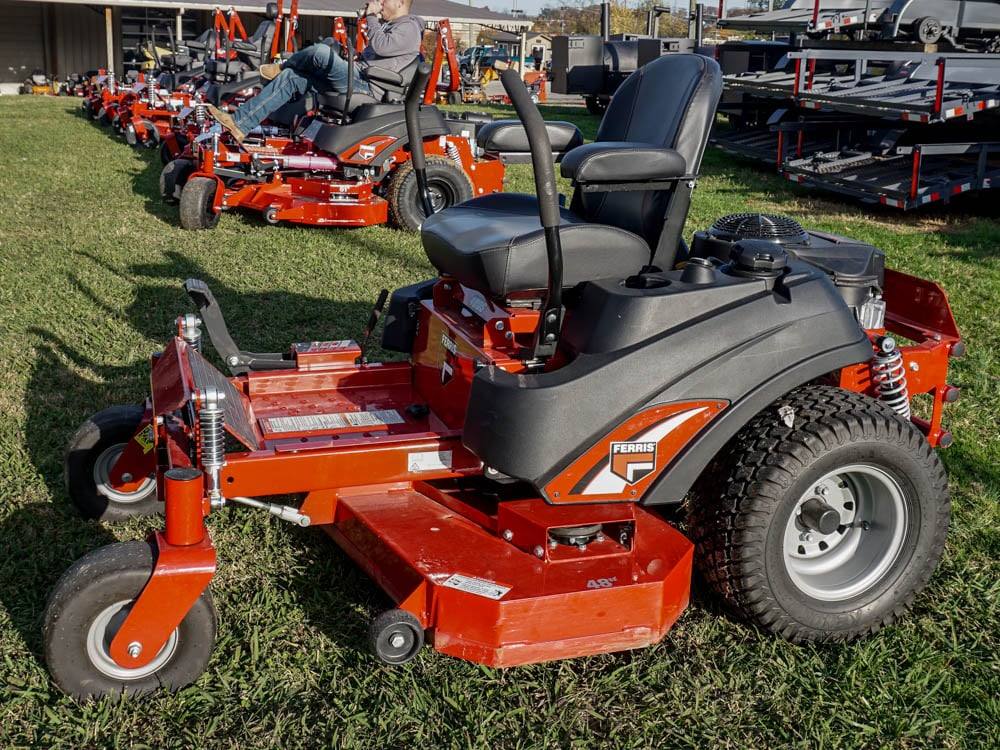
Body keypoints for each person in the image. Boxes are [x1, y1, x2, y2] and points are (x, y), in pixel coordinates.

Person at [210, 0, 424, 142]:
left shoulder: (410, 27)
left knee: (321, 52)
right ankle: (240, 123)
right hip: (357, 76)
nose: (380, 3)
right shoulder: (393, 26)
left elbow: (381, 46)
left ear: (400, 2)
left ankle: (283, 65)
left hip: (366, 86)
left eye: (385, 0)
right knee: (292, 78)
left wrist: (371, 17)